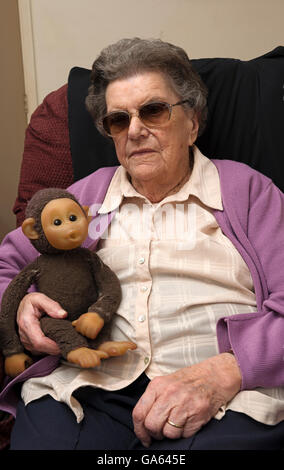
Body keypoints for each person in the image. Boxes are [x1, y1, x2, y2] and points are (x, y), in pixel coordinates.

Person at [1, 37, 284, 450]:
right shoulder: (82, 198)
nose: (135, 130)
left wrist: (226, 372)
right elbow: (8, 268)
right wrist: (23, 303)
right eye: (118, 119)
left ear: (193, 123)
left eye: (153, 110)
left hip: (225, 391)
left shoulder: (247, 192)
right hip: (89, 387)